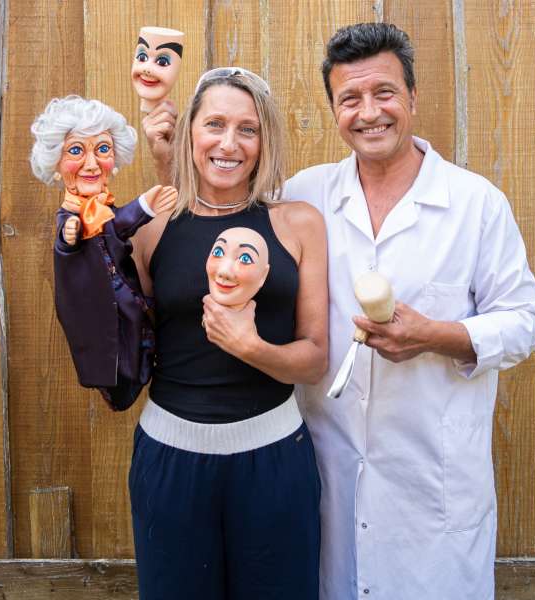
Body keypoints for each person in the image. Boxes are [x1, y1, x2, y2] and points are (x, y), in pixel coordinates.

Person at [282, 23, 535, 600]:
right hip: (330, 481)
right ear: (334, 109)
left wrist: (434, 335)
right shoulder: (305, 196)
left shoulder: (475, 203)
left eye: (385, 93)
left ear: (413, 97)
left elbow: (524, 322)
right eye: (350, 98)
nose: (369, 112)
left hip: (433, 489)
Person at [131, 67, 327, 599]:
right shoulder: (148, 230)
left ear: (265, 142)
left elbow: (314, 359)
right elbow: (127, 340)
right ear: (189, 132)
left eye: (248, 129)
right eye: (214, 124)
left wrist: (251, 347)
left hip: (274, 460)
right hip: (170, 460)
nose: (229, 143)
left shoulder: (298, 224)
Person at [30, 95, 177, 409]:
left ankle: (142, 367)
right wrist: (68, 236)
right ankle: (118, 387)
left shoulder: (103, 209)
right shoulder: (71, 217)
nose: (91, 163)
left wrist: (145, 207)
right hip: (96, 303)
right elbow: (76, 239)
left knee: (138, 330)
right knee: (111, 348)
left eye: (102, 150)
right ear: (56, 163)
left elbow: (114, 225)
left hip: (125, 294)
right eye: (76, 151)